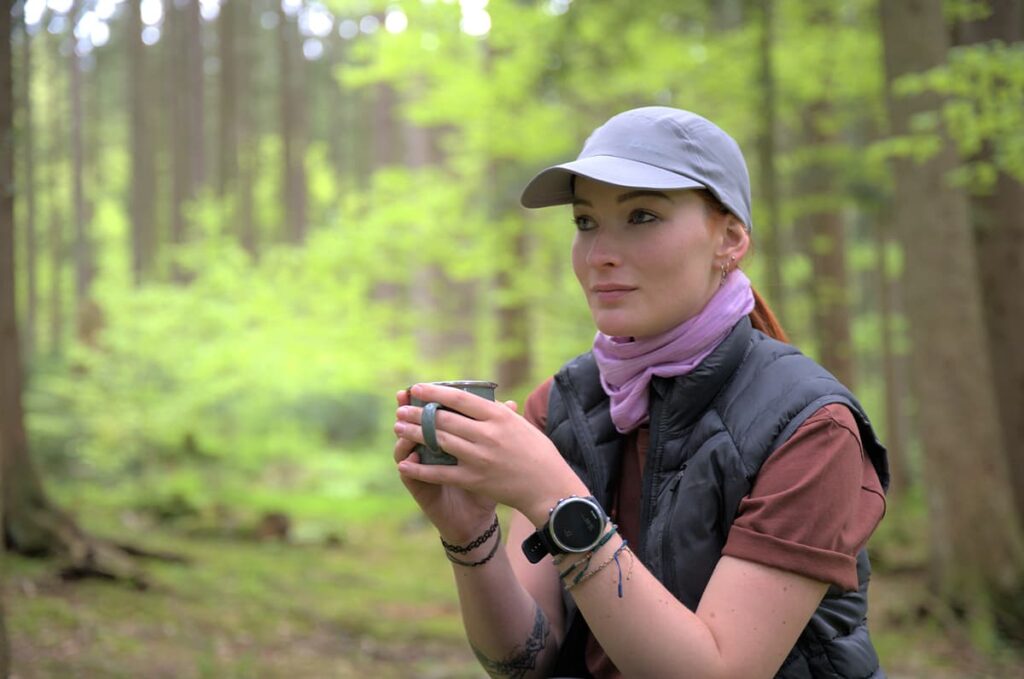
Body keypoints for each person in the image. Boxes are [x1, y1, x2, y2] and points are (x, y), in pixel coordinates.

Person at [393, 106, 889, 678]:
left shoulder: (810, 428)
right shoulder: (560, 405)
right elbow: (528, 660)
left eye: (643, 216)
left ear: (729, 238)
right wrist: (470, 533)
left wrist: (554, 496)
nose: (600, 252)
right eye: (585, 222)